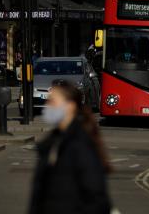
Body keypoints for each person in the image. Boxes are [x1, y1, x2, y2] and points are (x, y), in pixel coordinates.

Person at [29, 80, 111, 214]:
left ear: (70, 106)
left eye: (53, 102)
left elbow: (97, 198)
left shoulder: (80, 144)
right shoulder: (53, 141)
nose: (47, 106)